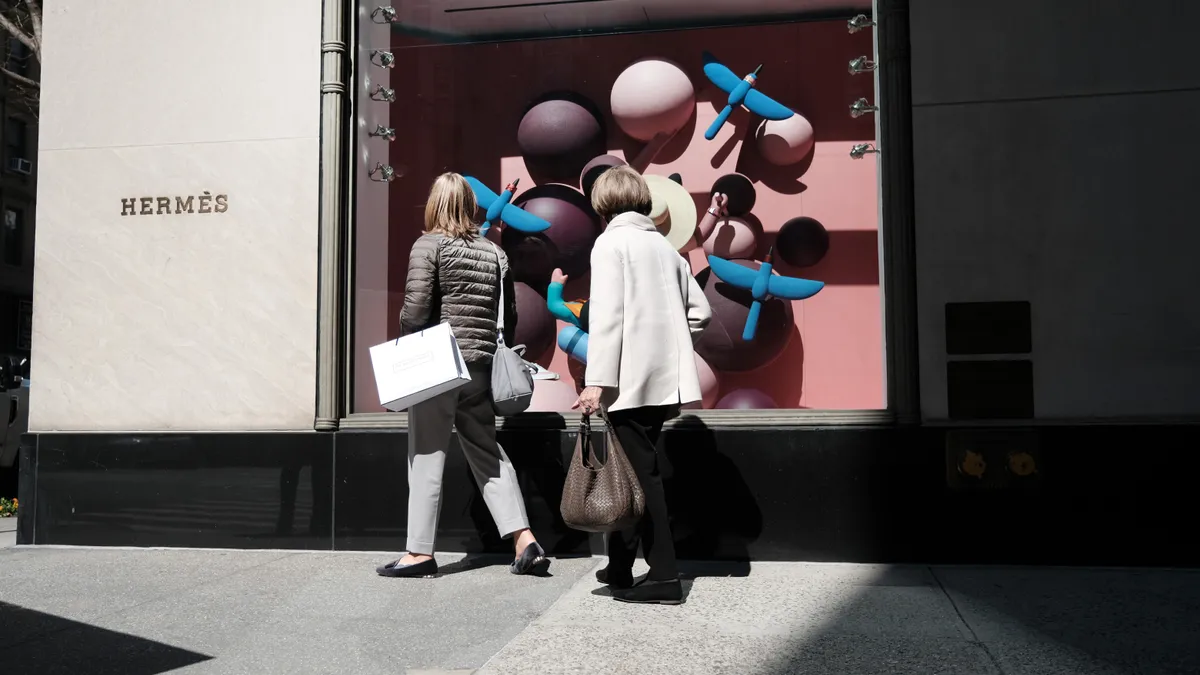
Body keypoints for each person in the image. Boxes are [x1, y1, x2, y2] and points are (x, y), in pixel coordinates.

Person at [377, 172, 548, 579]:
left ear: (435, 204)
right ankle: (525, 541)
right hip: (481, 364)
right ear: (470, 206)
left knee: (426, 454)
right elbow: (509, 315)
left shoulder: (428, 245)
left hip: (438, 363)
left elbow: (416, 312)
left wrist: (404, 334)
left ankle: (419, 553)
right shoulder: (494, 252)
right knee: (487, 452)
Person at [573, 166, 712, 605]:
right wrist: (667, 342)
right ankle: (620, 565)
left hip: (626, 381)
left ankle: (665, 576)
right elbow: (701, 312)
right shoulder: (665, 247)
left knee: (641, 475)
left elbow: (608, 316)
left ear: (603, 202)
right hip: (663, 383)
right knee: (632, 470)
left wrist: (596, 382)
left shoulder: (610, 242)